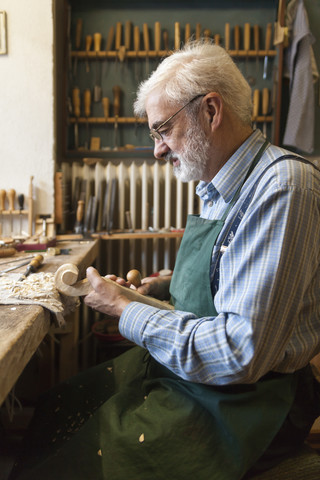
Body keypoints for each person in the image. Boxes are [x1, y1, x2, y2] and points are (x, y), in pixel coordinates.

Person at [10, 40, 320, 480]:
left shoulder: (282, 189)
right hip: (210, 384)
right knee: (66, 399)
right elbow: (229, 279)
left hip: (253, 401)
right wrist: (158, 288)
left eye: (163, 130)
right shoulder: (219, 186)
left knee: (76, 460)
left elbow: (239, 352)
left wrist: (124, 309)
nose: (157, 149)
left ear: (211, 111)